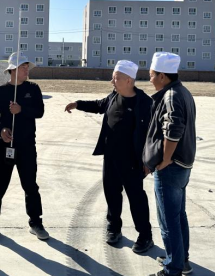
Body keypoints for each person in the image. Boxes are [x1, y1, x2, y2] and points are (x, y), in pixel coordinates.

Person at [65, 60, 154, 254]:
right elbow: (99, 105)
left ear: (128, 80)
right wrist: (78, 104)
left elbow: (152, 135)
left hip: (133, 161)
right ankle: (114, 228)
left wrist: (149, 161)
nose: (112, 82)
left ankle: (145, 235)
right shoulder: (114, 96)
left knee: (136, 198)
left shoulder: (145, 103)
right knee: (112, 194)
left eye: (115, 78)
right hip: (111, 157)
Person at [144, 52, 197, 276]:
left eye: (152, 75)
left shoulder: (172, 95)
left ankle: (173, 272)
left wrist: (165, 159)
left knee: (168, 220)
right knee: (178, 216)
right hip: (183, 165)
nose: (150, 79)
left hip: (172, 167)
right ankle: (181, 260)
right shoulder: (183, 91)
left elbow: (174, 129)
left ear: (163, 76)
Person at [0, 52, 49, 241]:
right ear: (12, 70)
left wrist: (21, 110)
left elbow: (40, 112)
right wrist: (0, 130)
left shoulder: (33, 88)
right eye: (23, 67)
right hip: (5, 147)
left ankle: (36, 223)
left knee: (30, 186)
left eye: (27, 67)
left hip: (27, 146)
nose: (27, 70)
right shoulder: (0, 91)